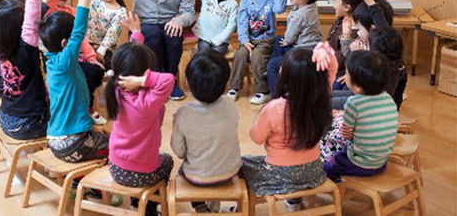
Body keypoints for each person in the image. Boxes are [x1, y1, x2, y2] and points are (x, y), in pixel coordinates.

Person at [239, 43, 336, 211]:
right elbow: (331, 66)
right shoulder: (322, 97)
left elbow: (256, 138)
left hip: (280, 176)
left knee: (242, 164)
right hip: (313, 172)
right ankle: (294, 201)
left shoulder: (274, 108)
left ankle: (243, 209)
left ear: (288, 77)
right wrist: (322, 50)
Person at [105, 12, 175, 216]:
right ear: (144, 73)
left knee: (157, 159)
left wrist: (136, 34)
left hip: (115, 167)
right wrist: (144, 82)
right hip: (142, 173)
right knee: (167, 161)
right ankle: (149, 207)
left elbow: (130, 60)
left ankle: (139, 203)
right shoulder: (148, 101)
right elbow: (168, 79)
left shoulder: (115, 89)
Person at [39, 0, 109, 162]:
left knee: (103, 134)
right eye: (72, 41)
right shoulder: (65, 62)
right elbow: (79, 27)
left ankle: (76, 184)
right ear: (65, 44)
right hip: (72, 143)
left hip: (55, 139)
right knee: (117, 148)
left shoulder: (50, 57)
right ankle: (93, 189)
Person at [171, 49, 242, 213]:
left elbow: (179, 151)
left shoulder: (183, 113)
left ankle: (199, 205)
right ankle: (214, 205)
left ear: (187, 82)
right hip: (230, 173)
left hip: (196, 178)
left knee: (183, 169)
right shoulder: (231, 105)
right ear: (226, 84)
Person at [0, 0, 49, 140]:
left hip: (6, 118)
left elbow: (35, 15)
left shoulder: (0, 48)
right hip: (29, 124)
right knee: (67, 112)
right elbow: (32, 20)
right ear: (17, 26)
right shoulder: (25, 49)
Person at [323, 50, 398, 182]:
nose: (345, 76)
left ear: (357, 87)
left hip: (358, 163)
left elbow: (346, 136)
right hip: (381, 162)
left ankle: (336, 184)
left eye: (346, 73)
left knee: (328, 165)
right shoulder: (388, 98)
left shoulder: (353, 103)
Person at [227, 0, 286, 104]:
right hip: (249, 39)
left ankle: (263, 90)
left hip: (266, 41)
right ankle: (234, 87)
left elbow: (279, 9)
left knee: (257, 57)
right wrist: (244, 40)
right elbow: (241, 22)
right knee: (240, 54)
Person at [266, 0, 323, 93]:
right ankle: (282, 75)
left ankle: (277, 96)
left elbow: (290, 38)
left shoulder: (299, 16)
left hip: (303, 52)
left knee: (272, 65)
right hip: (307, 46)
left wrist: (287, 40)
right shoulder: (310, 4)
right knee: (278, 40)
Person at [87, 0, 127, 67]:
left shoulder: (121, 12)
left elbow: (112, 33)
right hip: (85, 43)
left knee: (111, 67)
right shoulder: (96, 1)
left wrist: (101, 50)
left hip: (102, 48)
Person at [369, 27, 407, 109]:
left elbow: (358, 90)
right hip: (388, 108)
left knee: (334, 99)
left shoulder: (374, 70)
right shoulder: (400, 68)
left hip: (367, 107)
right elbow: (399, 94)